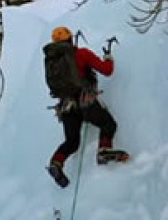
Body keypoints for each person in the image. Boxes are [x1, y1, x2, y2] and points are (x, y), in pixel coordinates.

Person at [46, 26, 128, 188]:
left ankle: (56, 162)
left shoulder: (52, 61)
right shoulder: (81, 54)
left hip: (66, 106)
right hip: (85, 100)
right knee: (107, 124)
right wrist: (108, 58)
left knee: (72, 142)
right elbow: (107, 70)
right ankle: (104, 151)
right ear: (70, 39)